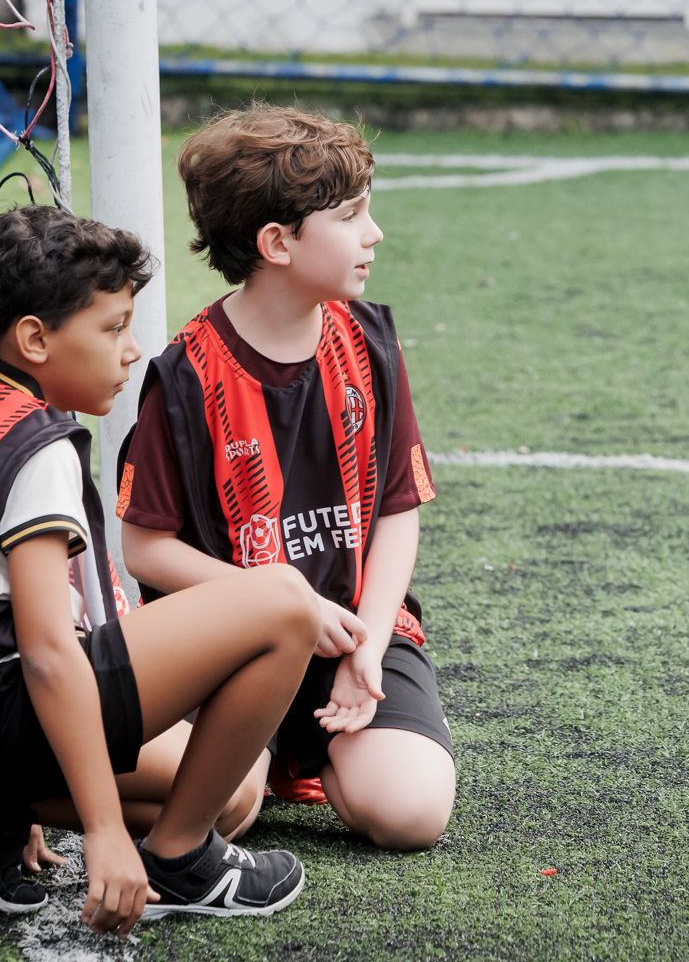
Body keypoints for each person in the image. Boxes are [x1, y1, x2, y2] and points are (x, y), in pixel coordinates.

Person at [0, 205, 321, 936]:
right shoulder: (37, 445)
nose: (132, 351)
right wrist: (103, 831)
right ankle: (180, 858)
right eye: (112, 328)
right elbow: (45, 649)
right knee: (287, 603)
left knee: (237, 789)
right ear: (35, 338)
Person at [117, 103, 455, 851]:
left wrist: (366, 650)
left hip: (357, 629)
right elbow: (145, 550)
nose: (374, 234)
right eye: (352, 217)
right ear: (277, 242)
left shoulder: (370, 344)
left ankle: (319, 754)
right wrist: (286, 604)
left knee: (412, 814)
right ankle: (260, 760)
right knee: (223, 810)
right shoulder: (185, 378)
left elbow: (399, 510)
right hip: (227, 651)